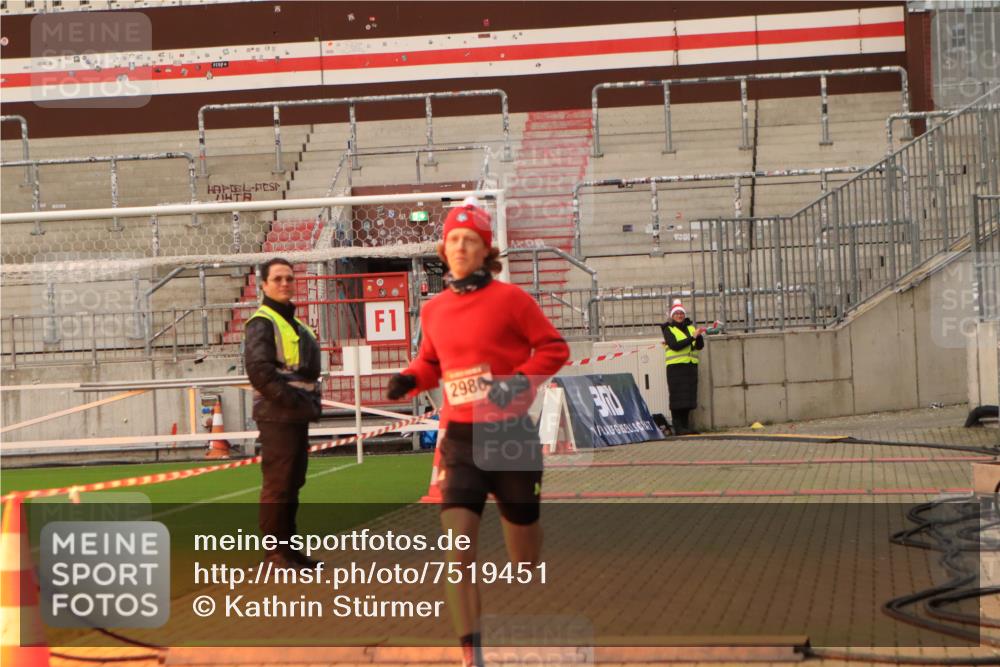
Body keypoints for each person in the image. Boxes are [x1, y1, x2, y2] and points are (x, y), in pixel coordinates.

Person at [385, 198, 569, 667]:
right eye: (453, 240)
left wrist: (519, 382)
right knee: (457, 552)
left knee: (523, 556)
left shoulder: (512, 300)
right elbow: (432, 362)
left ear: (487, 251)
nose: (461, 247)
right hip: (460, 442)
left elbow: (554, 348)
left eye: (470, 240)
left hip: (509, 439)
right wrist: (410, 378)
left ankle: (528, 542)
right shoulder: (435, 311)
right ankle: (471, 654)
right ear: (443, 251)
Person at [244, 257, 323, 568]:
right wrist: (291, 399)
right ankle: (275, 554)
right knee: (279, 484)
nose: (285, 284)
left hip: (294, 415)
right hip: (278, 415)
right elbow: (259, 371)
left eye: (289, 278)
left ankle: (288, 550)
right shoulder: (262, 322)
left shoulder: (295, 323)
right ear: (263, 285)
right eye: (277, 279)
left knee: (292, 482)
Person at [660, 298, 705, 435]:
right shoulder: (668, 329)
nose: (680, 316)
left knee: (688, 398)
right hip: (676, 367)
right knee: (677, 397)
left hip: (690, 366)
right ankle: (678, 427)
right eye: (677, 314)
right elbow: (675, 345)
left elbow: (699, 346)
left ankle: (686, 426)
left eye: (681, 313)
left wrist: (698, 337)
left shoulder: (690, 327)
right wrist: (692, 338)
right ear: (672, 316)